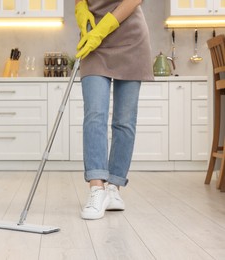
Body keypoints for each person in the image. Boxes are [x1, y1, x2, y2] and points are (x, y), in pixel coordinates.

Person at [74, 0, 153, 220]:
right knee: (95, 115)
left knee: (124, 120)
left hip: (130, 39)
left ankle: (114, 187)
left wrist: (104, 27)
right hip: (94, 42)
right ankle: (97, 188)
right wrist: (80, 8)